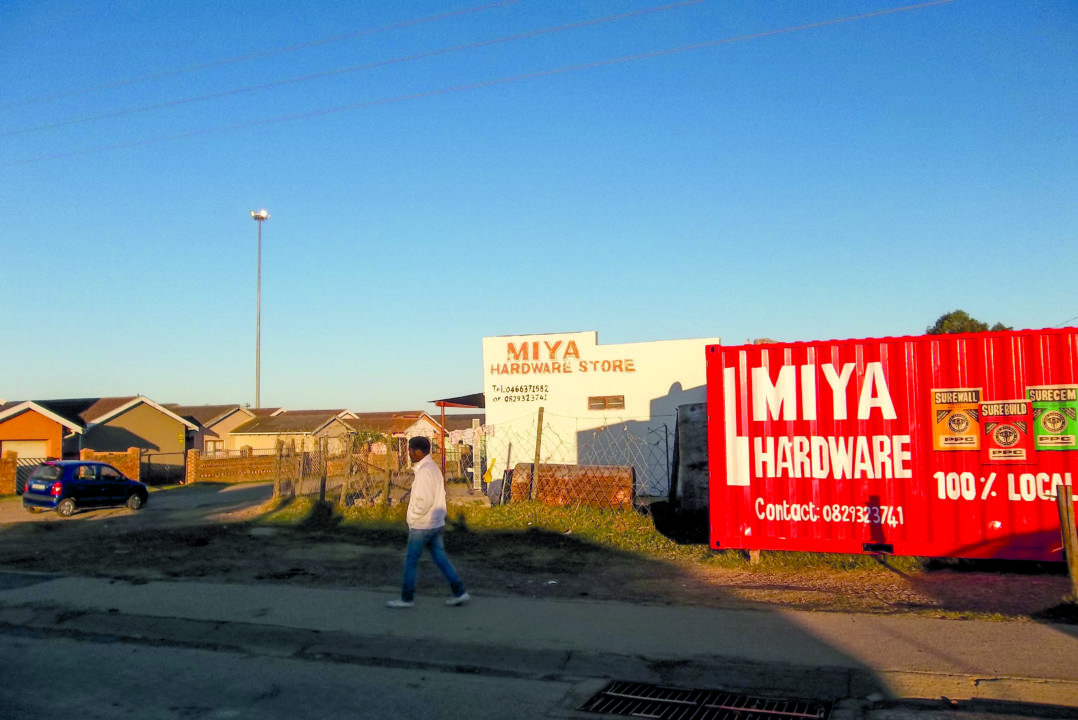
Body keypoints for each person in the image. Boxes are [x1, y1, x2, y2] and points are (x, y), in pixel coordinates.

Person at [387, 436, 470, 608]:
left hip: (422, 525)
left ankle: (406, 598)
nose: (408, 453)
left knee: (411, 561)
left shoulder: (424, 472)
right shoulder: (432, 468)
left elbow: (423, 501)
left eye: (410, 450)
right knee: (440, 558)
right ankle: (459, 592)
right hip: (436, 523)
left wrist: (412, 517)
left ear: (417, 451)